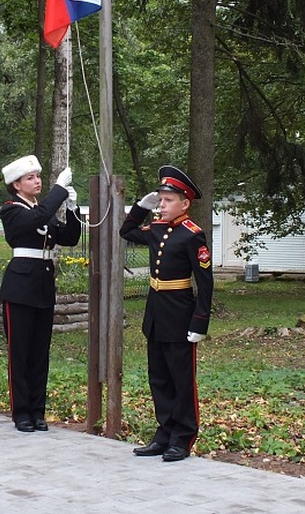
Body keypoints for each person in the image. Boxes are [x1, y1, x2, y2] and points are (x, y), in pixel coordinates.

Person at [119, 165, 213, 462]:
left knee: (181, 379)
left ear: (185, 204)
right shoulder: (156, 229)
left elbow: (205, 283)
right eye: (159, 200)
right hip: (157, 315)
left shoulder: (192, 235)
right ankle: (164, 432)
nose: (161, 205)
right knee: (158, 377)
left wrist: (200, 321)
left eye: (167, 200)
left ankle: (183, 437)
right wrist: (139, 207)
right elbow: (126, 231)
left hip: (180, 314)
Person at [0, 155, 80, 432]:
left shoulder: (40, 208)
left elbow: (69, 237)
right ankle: (21, 412)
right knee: (20, 352)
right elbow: (37, 218)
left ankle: (37, 411)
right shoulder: (12, 209)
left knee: (39, 353)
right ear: (16, 185)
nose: (37, 181)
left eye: (38, 177)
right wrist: (58, 189)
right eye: (30, 178)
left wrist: (71, 207)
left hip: (42, 286)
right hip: (20, 287)